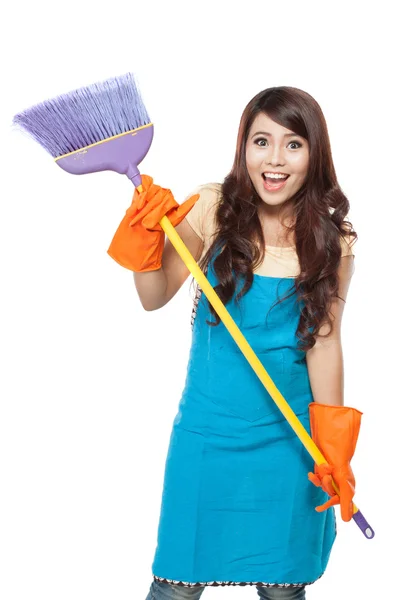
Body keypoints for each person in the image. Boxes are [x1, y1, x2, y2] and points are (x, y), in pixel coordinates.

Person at [107, 86, 363, 599]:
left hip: (290, 445)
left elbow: (325, 344)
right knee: (174, 586)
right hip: (206, 438)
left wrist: (334, 451)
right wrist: (146, 240)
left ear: (315, 154)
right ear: (242, 147)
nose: (274, 159)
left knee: (283, 589)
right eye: (260, 140)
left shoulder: (331, 242)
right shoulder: (213, 209)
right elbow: (153, 297)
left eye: (293, 144)